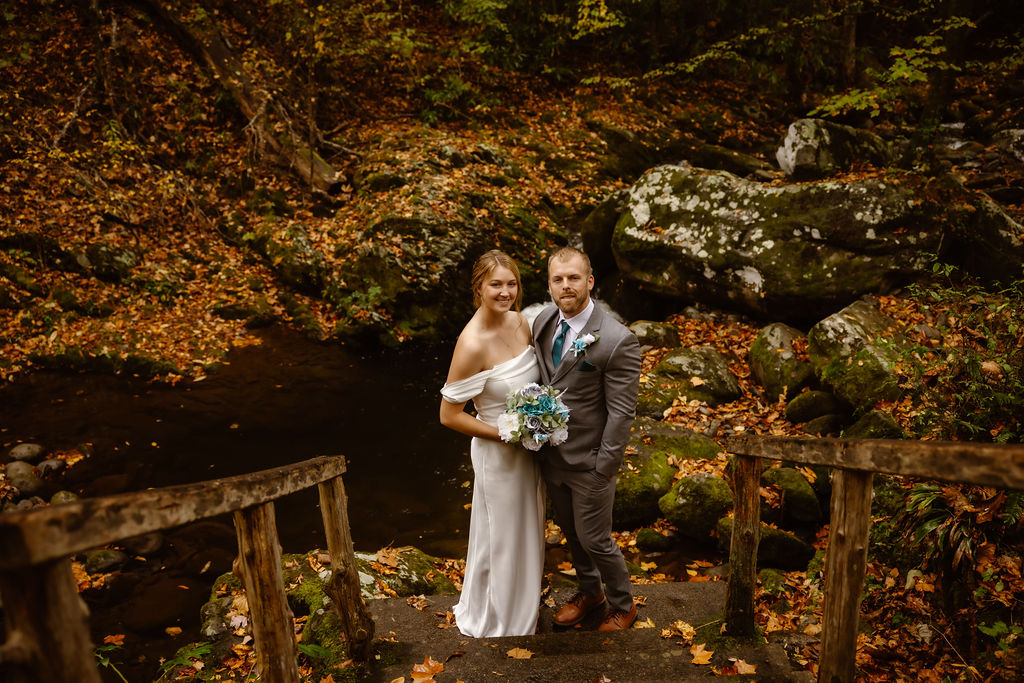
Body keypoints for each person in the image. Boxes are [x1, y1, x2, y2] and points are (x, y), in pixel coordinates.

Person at [532, 246, 642, 631]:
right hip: (552, 457)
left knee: (596, 539)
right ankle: (590, 592)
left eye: (574, 278)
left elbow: (622, 412)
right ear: (549, 286)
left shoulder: (616, 340)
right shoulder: (544, 321)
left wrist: (604, 468)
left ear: (589, 281)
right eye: (558, 279)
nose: (566, 286)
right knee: (573, 535)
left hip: (591, 462)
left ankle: (623, 604)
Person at [439, 249, 546, 637]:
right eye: (496, 285)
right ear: (478, 288)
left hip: (529, 450)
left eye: (512, 284)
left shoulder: (520, 322)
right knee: (500, 535)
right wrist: (506, 432)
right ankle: (501, 622)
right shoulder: (471, 343)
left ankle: (524, 606)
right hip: (498, 453)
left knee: (527, 529)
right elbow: (448, 415)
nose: (505, 292)